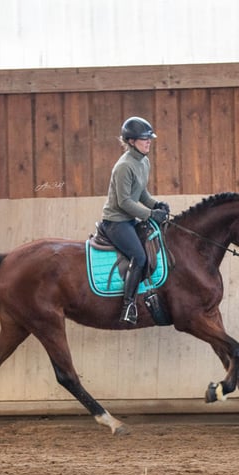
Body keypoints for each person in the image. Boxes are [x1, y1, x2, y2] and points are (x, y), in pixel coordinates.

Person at [100, 116, 170, 324]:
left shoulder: (143, 161)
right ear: (131, 141)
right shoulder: (124, 166)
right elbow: (124, 202)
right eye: (144, 139)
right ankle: (128, 305)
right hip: (116, 222)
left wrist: (155, 205)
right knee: (139, 257)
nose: (148, 142)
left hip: (131, 219)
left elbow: (141, 193)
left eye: (149, 139)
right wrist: (149, 215)